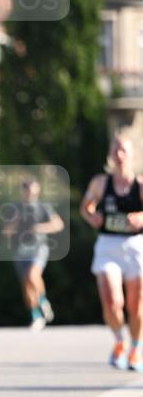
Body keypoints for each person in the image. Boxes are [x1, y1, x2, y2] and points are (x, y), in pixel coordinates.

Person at [80, 133, 143, 372]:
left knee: (136, 306)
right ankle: (119, 340)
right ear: (110, 154)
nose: (119, 155)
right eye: (115, 150)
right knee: (112, 299)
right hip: (108, 245)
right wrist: (91, 216)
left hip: (135, 247)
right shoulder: (99, 183)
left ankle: (136, 348)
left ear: (132, 154)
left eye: (124, 150)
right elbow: (85, 208)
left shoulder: (140, 186)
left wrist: (140, 217)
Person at [3, 177, 64, 330]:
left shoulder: (43, 206)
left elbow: (58, 224)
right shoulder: (15, 208)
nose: (30, 194)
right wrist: (15, 221)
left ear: (38, 190)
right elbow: (6, 232)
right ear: (22, 191)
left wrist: (40, 228)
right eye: (27, 190)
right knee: (27, 285)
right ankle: (36, 316)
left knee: (33, 276)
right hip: (20, 250)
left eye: (33, 190)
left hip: (38, 248)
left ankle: (43, 301)